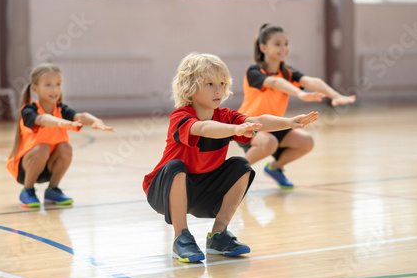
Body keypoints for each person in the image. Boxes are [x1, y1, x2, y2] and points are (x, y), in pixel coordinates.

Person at [143, 53, 318, 262]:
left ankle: (218, 236)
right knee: (175, 166)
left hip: (201, 193)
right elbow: (205, 128)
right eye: (209, 84)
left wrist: (289, 122)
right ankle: (182, 238)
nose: (219, 90)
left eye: (222, 83)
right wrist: (235, 128)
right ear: (190, 87)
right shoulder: (180, 117)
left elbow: (259, 120)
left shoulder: (226, 116)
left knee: (241, 165)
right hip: (163, 191)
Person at [237, 23, 356, 189]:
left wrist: (335, 96)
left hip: (274, 125)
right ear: (263, 48)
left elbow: (311, 81)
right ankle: (233, 176)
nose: (284, 48)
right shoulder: (254, 71)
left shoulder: (288, 72)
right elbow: (275, 82)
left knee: (306, 142)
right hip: (248, 124)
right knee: (269, 143)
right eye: (277, 44)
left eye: (286, 44)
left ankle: (274, 168)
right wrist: (299, 94)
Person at [7, 63, 115, 208]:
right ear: (34, 89)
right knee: (42, 148)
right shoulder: (28, 110)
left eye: (58, 84)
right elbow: (42, 119)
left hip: (49, 166)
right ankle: (27, 191)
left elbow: (80, 116)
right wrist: (60, 122)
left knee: (65, 147)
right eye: (48, 85)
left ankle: (52, 190)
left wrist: (96, 121)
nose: (55, 89)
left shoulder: (61, 109)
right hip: (26, 167)